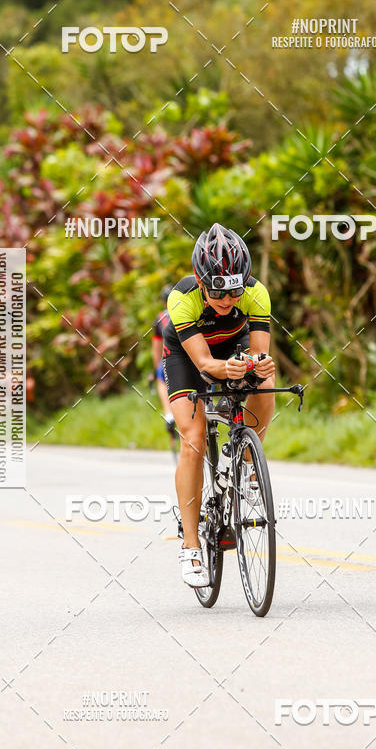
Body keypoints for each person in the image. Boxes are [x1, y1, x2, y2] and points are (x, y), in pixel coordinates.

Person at [162, 223, 275, 587]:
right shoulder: (182, 299)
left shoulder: (257, 294)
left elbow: (259, 353)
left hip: (232, 344)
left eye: (235, 292)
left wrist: (259, 366)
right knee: (194, 439)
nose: (227, 301)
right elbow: (205, 365)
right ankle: (191, 545)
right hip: (189, 356)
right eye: (217, 293)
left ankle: (243, 458)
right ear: (200, 281)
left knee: (267, 381)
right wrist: (224, 370)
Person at [151, 285, 175, 432]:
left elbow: (156, 348)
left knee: (161, 380)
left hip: (169, 356)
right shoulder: (187, 309)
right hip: (191, 354)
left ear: (164, 302)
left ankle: (169, 414)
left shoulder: (160, 317)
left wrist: (156, 369)